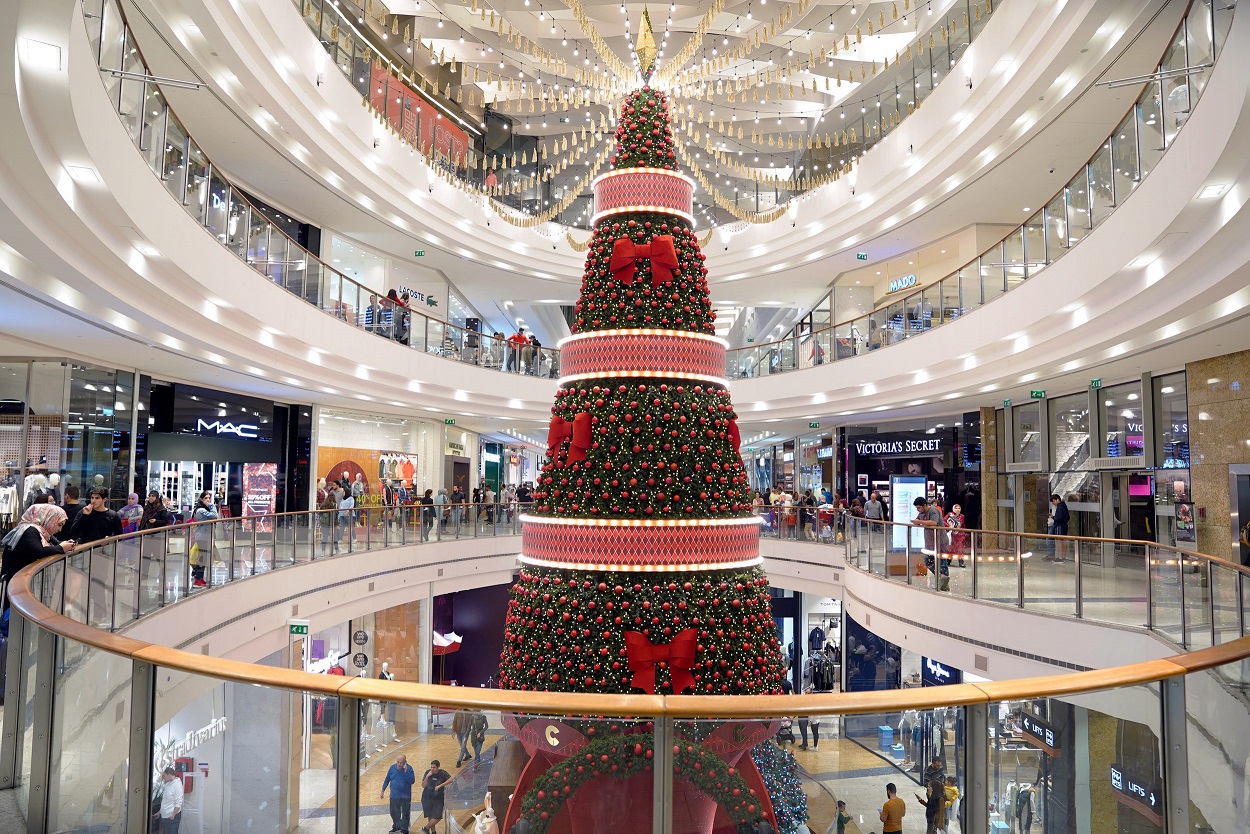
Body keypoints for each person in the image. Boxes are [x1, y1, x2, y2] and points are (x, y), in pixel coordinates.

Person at [1, 504, 73, 610]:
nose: (60, 529)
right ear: (49, 519)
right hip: (16, 587)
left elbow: (55, 544)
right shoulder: (29, 530)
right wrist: (61, 548)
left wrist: (65, 545)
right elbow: (38, 551)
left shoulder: (40, 532)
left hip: (18, 585)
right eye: (59, 524)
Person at [913, 496, 947, 588]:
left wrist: (920, 521)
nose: (918, 510)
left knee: (942, 561)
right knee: (928, 561)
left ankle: (944, 580)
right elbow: (917, 521)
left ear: (924, 505)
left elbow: (934, 522)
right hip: (930, 542)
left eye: (919, 507)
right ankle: (940, 577)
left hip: (941, 540)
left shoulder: (933, 511)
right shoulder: (921, 513)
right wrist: (918, 521)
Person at [380, 754, 417, 834]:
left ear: (405, 762)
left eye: (401, 762)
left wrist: (406, 771)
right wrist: (383, 790)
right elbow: (387, 779)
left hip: (406, 796)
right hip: (394, 795)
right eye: (398, 762)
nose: (399, 764)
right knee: (394, 812)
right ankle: (397, 826)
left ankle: (404, 829)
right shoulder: (392, 768)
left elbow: (412, 781)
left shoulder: (409, 769)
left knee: (405, 813)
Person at [190, 491, 219, 587]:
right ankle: (198, 579)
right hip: (202, 537)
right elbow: (214, 516)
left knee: (204, 557)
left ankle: (200, 578)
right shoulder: (201, 510)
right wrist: (211, 505)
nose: (208, 500)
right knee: (202, 557)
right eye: (206, 498)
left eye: (209, 498)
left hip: (206, 536)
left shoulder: (203, 509)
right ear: (201, 499)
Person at [419, 760, 452, 834]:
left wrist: (440, 785)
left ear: (438, 767)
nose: (432, 769)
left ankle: (426, 828)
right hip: (427, 797)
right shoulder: (428, 772)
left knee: (437, 816)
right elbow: (423, 785)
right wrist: (427, 776)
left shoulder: (442, 773)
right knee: (430, 815)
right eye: (431, 767)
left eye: (434, 767)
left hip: (438, 798)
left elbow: (451, 779)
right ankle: (433, 832)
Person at [158, 766, 184, 833]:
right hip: (164, 816)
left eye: (164, 776)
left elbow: (178, 803)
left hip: (171, 818)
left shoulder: (177, 785)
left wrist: (173, 815)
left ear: (169, 775)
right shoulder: (168, 784)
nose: (163, 778)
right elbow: (165, 800)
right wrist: (160, 812)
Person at [1046, 493, 1070, 562]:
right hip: (1064, 525)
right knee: (1064, 541)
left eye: (1053, 501)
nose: (1053, 503)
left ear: (1057, 500)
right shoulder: (1064, 506)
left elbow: (1058, 517)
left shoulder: (1059, 507)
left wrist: (1053, 517)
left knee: (1059, 541)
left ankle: (1060, 557)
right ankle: (1063, 557)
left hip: (1059, 525)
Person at [945, 503, 968, 567]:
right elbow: (944, 521)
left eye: (959, 508)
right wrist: (949, 526)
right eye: (956, 508)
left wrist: (964, 532)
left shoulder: (962, 516)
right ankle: (948, 560)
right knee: (951, 548)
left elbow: (963, 525)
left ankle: (961, 562)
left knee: (960, 548)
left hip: (960, 534)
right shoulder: (950, 514)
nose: (958, 510)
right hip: (952, 534)